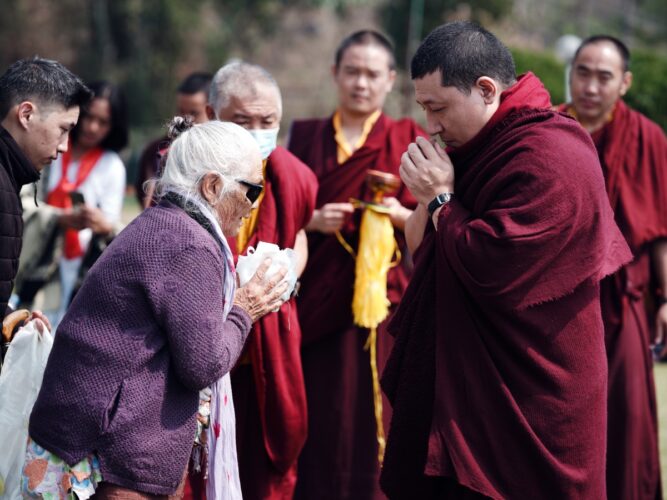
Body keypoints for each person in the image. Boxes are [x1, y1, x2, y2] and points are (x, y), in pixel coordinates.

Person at [379, 21, 632, 499]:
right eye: (424, 109)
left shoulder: (552, 153)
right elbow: (422, 248)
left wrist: (440, 199)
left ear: (486, 90)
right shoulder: (469, 152)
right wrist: (428, 198)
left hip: (534, 387)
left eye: (438, 108)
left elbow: (494, 267)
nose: (431, 125)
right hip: (464, 384)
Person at [25, 118, 292, 499]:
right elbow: (202, 363)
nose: (253, 205)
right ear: (213, 186)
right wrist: (245, 308)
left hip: (87, 432)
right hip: (107, 452)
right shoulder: (189, 244)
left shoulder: (162, 223)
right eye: (252, 190)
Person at [287, 30, 426, 499]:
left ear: (390, 80)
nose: (360, 83)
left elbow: (432, 221)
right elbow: (279, 216)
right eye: (352, 72)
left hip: (382, 306)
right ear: (335, 74)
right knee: (320, 412)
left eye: (372, 74)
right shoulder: (304, 136)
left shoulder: (408, 138)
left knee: (378, 415)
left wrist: (399, 215)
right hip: (317, 306)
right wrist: (311, 220)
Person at [558, 35, 666, 500]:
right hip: (558, 299)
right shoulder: (550, 129)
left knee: (626, 414)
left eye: (604, 77)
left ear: (624, 83)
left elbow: (660, 227)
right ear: (571, 74)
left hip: (624, 298)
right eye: (583, 72)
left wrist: (666, 299)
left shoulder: (647, 138)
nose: (591, 86)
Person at [206, 61, 317, 500]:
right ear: (213, 117)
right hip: (208, 342)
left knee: (264, 469)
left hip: (269, 344)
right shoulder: (188, 170)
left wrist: (290, 269)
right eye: (241, 121)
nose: (256, 131)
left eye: (267, 122)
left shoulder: (289, 172)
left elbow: (300, 231)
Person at [13, 81, 128, 330]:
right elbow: (25, 202)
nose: (91, 127)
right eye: (88, 116)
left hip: (79, 265)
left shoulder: (112, 166)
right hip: (40, 257)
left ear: (114, 125)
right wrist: (59, 218)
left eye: (103, 122)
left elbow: (111, 224)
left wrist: (100, 222)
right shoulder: (51, 146)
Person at [0, 57, 90, 324]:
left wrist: (11, 321)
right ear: (26, 115)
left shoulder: (10, 176)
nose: (64, 147)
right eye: (63, 130)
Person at [136, 72, 212, 208]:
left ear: (211, 112)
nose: (185, 119)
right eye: (181, 111)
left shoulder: (221, 157)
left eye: (194, 113)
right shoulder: (155, 151)